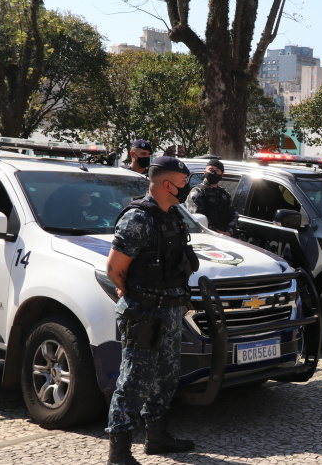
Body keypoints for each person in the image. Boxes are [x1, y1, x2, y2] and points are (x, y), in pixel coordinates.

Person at [105, 156, 198, 465]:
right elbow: (114, 268)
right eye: (184, 182)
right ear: (168, 185)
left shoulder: (172, 216)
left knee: (167, 377)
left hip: (170, 312)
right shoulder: (138, 218)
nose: (188, 187)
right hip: (143, 312)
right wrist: (129, 291)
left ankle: (156, 437)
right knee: (133, 381)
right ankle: (119, 452)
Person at [186, 158, 238, 236]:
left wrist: (229, 232)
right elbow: (197, 217)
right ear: (205, 172)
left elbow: (234, 215)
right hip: (206, 236)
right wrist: (216, 232)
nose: (213, 172)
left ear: (222, 175)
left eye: (217, 170)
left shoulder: (225, 194)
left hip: (225, 237)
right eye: (211, 169)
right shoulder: (198, 191)